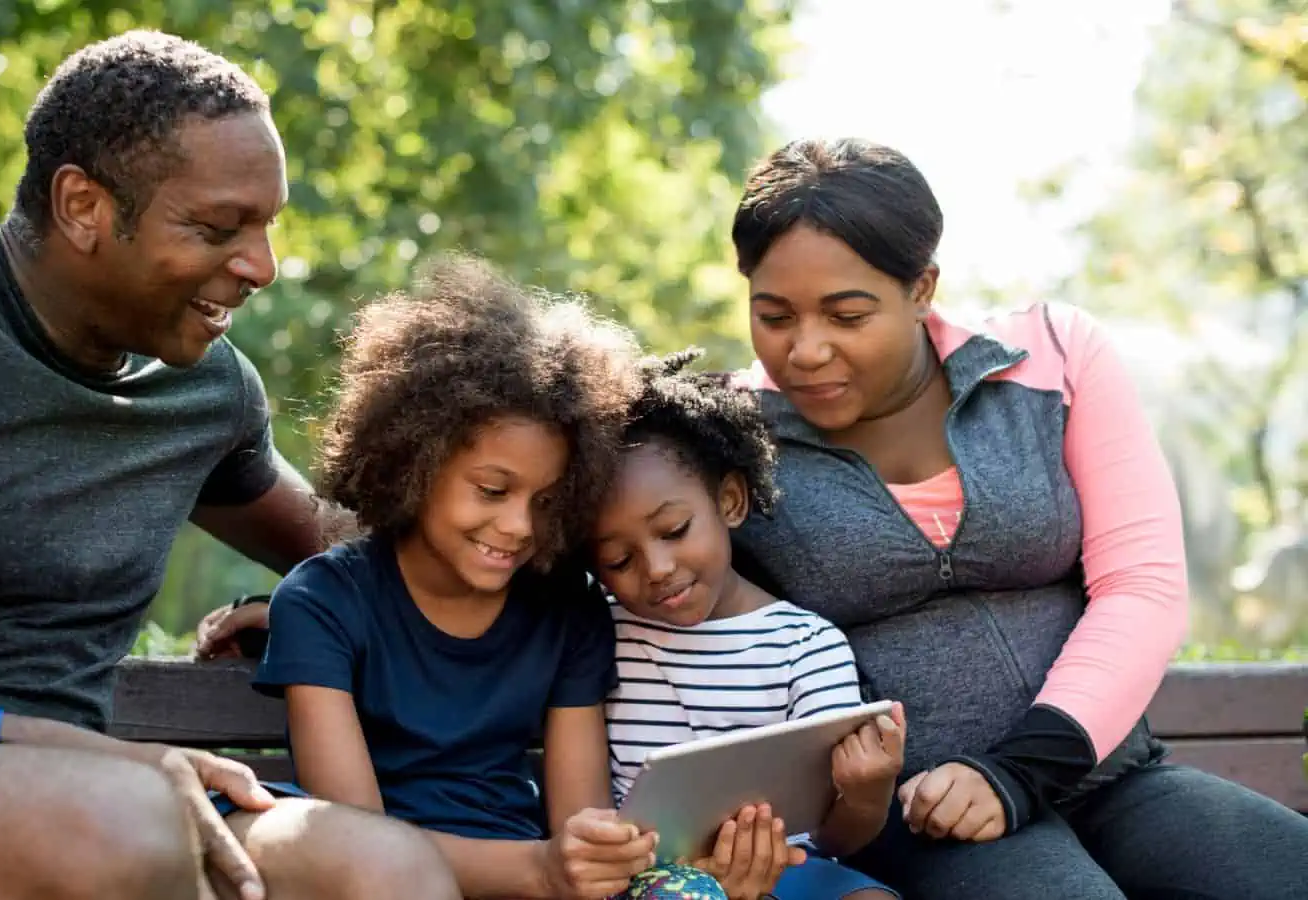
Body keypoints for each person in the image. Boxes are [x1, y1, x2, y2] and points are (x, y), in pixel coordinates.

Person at [0, 30, 457, 900]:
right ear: (82, 205)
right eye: (218, 228)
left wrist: (307, 604)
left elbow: (374, 561)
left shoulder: (205, 391)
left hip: (90, 801)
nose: (261, 266)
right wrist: (62, 750)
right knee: (117, 825)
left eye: (265, 227)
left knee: (381, 867)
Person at [725, 136, 1308, 899]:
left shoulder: (1050, 358)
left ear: (922, 287)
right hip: (917, 818)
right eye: (773, 316)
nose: (805, 351)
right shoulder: (730, 435)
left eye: (847, 315)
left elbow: (1143, 586)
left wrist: (1021, 770)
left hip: (1108, 776)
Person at [250, 255, 717, 899]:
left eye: (547, 501)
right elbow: (353, 843)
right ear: (415, 460)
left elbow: (576, 820)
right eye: (492, 490)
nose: (520, 526)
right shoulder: (323, 602)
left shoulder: (565, 610)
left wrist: (595, 854)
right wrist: (540, 871)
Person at [591, 349, 902, 900]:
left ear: (730, 502)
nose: (657, 569)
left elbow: (838, 836)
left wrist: (867, 791)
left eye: (675, 530)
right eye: (619, 561)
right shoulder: (599, 634)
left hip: (789, 866)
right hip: (652, 878)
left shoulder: (805, 645)